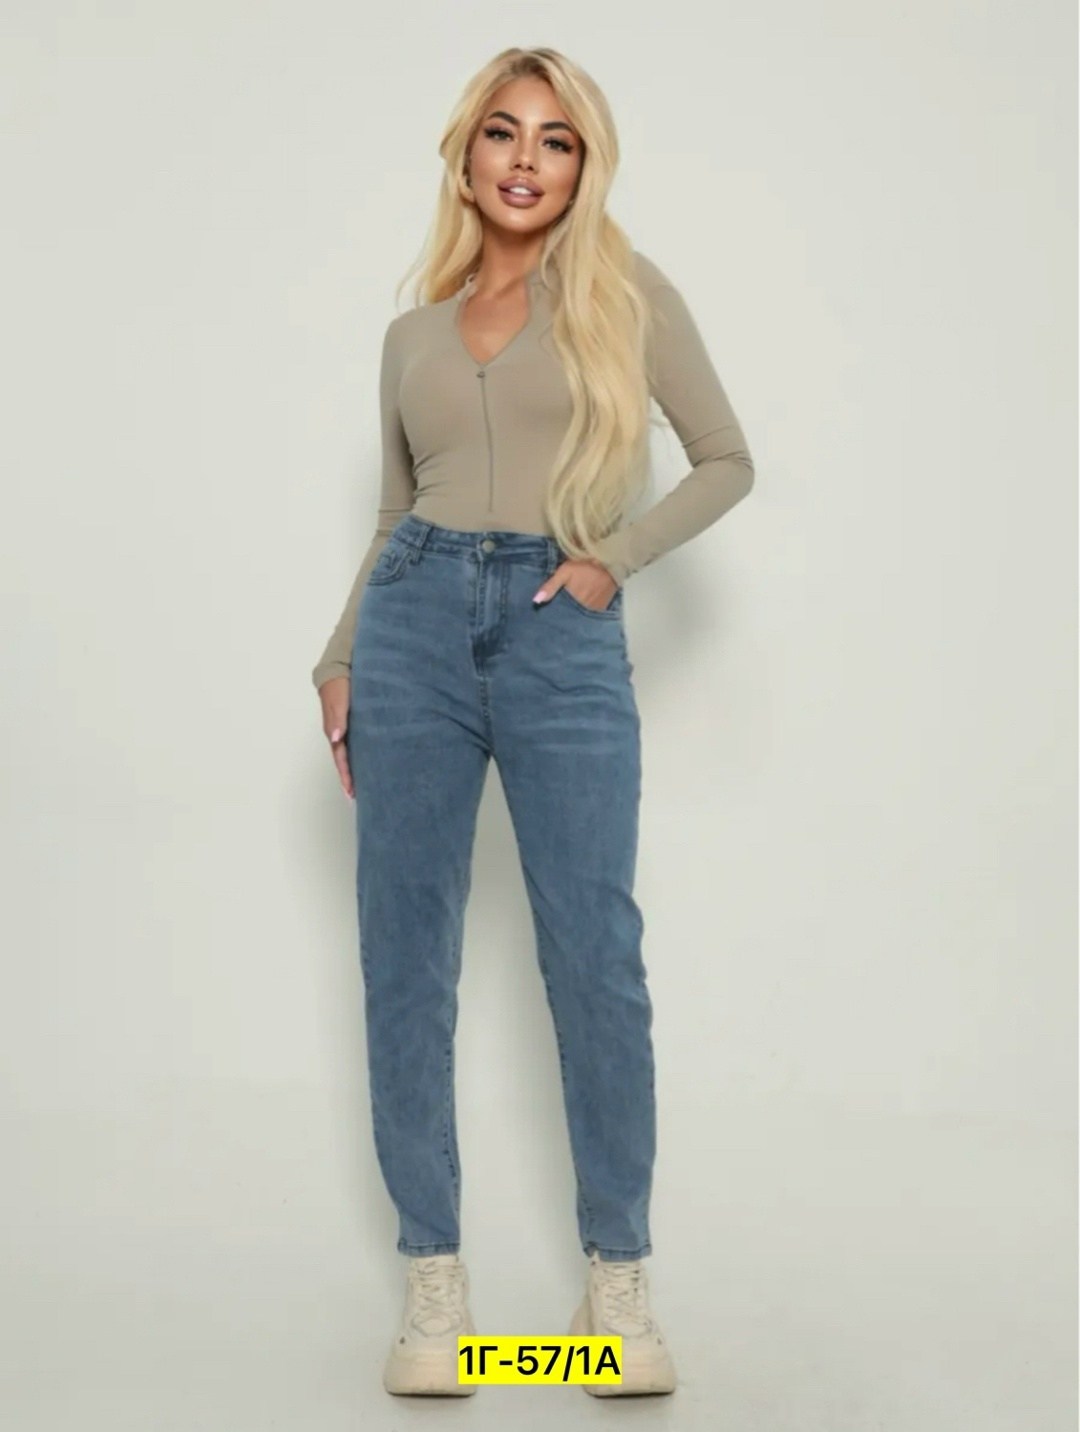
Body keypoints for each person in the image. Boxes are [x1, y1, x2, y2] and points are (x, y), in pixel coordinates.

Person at [311, 46, 754, 1399]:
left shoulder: (627, 296)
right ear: (465, 157)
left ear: (583, 166)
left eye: (556, 140)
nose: (525, 159)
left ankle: (617, 1285)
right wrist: (339, 653)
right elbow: (395, 513)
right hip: (409, 630)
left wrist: (613, 558)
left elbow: (727, 461)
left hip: (564, 633)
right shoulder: (412, 336)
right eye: (503, 133)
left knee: (593, 955)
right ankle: (434, 1290)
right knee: (405, 960)